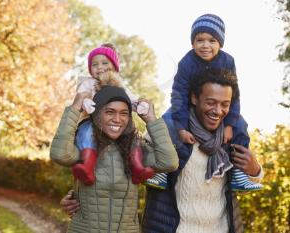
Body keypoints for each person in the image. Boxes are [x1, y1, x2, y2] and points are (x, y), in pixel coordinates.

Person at [146, 13, 262, 191]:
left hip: (216, 104)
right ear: (193, 43)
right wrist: (182, 128)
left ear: (220, 43)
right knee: (167, 121)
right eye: (200, 40)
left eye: (212, 40)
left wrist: (230, 124)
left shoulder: (227, 61)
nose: (205, 45)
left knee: (240, 124)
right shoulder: (187, 62)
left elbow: (234, 94)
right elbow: (179, 94)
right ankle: (161, 170)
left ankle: (238, 173)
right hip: (187, 104)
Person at [141, 70, 263, 233]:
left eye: (225, 104)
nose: (218, 111)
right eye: (211, 102)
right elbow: (140, 163)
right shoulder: (172, 131)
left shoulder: (229, 137)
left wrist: (255, 170)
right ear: (194, 98)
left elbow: (245, 183)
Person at [50, 85, 179, 232]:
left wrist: (151, 120)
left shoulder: (136, 149)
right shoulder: (82, 146)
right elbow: (59, 154)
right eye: (109, 112)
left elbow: (169, 162)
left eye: (124, 113)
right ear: (96, 114)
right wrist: (76, 106)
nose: (117, 119)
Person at [73, 44, 152, 186]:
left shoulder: (118, 85)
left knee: (132, 137)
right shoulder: (87, 83)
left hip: (116, 124)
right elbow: (82, 97)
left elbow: (131, 99)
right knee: (86, 133)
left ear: (114, 66)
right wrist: (86, 102)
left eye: (104, 63)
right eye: (94, 64)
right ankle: (87, 166)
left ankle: (137, 168)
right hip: (92, 120)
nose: (99, 67)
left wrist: (140, 105)